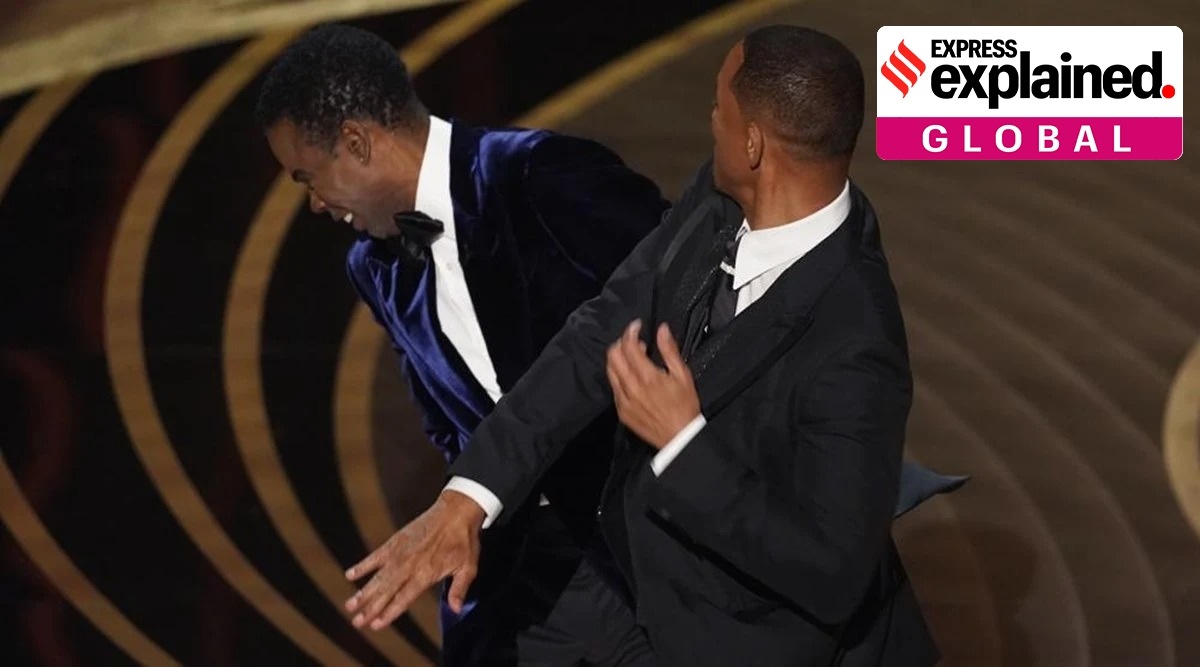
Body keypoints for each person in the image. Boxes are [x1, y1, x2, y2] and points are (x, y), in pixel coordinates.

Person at [342, 24, 963, 666]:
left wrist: (683, 443)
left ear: (753, 143)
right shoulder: (721, 200)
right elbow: (599, 329)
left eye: (720, 105)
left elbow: (831, 574)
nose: (709, 117)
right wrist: (470, 496)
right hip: (662, 614)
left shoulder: (856, 336)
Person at [255, 24, 671, 666]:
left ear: (357, 143)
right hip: (529, 582)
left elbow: (690, 303)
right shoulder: (374, 267)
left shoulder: (540, 174)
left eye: (307, 176)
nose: (313, 203)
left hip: (654, 551)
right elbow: (449, 425)